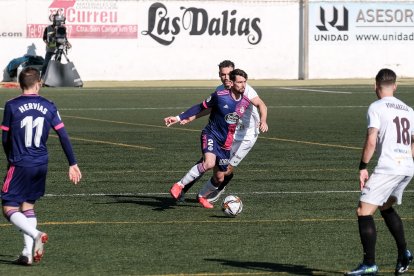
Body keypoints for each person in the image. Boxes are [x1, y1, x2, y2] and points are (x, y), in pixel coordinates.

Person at [1, 67, 82, 265]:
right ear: (38, 83)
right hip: (41, 164)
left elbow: (4, 138)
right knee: (28, 206)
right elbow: (63, 135)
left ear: (20, 84)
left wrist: (10, 158)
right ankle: (27, 253)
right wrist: (72, 163)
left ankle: (36, 234)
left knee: (9, 207)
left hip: (20, 162)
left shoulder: (11, 106)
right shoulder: (49, 105)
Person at [346, 68, 414, 275]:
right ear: (395, 86)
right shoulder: (409, 110)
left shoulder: (376, 107)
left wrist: (363, 167)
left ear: (376, 86)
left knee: (363, 211)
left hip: (389, 168)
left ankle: (369, 264)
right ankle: (404, 253)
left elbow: (371, 140)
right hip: (407, 167)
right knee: (384, 206)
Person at [179, 60, 268, 202]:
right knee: (207, 161)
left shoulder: (245, 88)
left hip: (247, 135)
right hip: (227, 132)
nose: (225, 77)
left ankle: (214, 190)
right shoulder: (220, 90)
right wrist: (191, 118)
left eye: (228, 74)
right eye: (222, 74)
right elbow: (210, 108)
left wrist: (263, 120)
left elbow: (261, 104)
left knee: (226, 169)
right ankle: (182, 190)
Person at [165, 69, 252, 208]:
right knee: (209, 163)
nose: (243, 85)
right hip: (211, 134)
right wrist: (178, 117)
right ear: (232, 82)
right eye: (240, 82)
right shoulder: (220, 95)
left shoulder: (246, 102)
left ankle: (202, 196)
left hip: (226, 144)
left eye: (245, 82)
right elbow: (200, 107)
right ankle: (179, 185)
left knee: (219, 178)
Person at [41, 11, 71, 79]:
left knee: (57, 65)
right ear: (54, 19)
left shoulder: (63, 28)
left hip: (59, 49)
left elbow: (64, 37)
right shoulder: (48, 28)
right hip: (50, 49)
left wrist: (67, 43)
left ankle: (55, 79)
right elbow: (44, 38)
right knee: (46, 64)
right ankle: (42, 79)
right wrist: (48, 43)